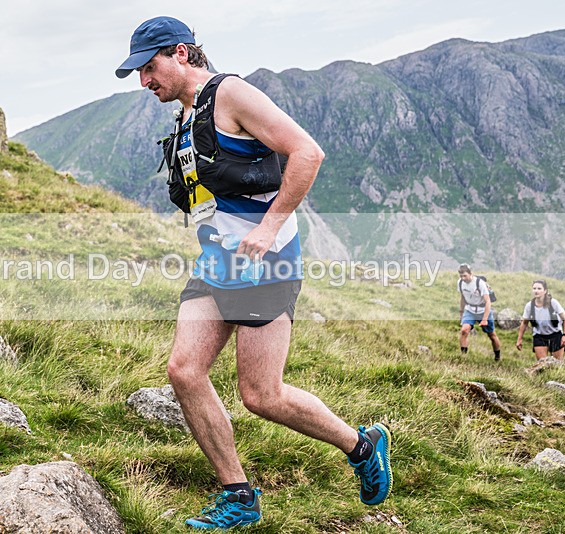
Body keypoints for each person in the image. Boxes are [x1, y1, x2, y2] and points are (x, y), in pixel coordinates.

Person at [116, 16, 393, 530]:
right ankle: (238, 496)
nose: (144, 81)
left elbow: (307, 152)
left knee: (261, 396)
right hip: (217, 262)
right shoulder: (186, 118)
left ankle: (362, 444)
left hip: (266, 262)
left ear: (180, 53)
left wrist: (269, 227)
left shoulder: (231, 94)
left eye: (148, 68)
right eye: (138, 73)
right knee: (183, 371)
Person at [516, 279, 565, 361]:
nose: (536, 291)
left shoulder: (553, 303)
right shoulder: (529, 306)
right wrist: (519, 339)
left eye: (539, 289)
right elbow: (524, 323)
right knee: (542, 364)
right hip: (539, 336)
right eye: (534, 288)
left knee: (557, 364)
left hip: (556, 335)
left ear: (545, 291)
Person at [457, 264, 501, 361]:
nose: (463, 278)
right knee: (464, 331)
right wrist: (461, 313)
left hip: (483, 311)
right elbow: (463, 297)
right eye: (461, 276)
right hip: (470, 310)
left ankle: (497, 356)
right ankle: (463, 357)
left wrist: (485, 319)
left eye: (465, 276)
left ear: (470, 273)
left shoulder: (479, 283)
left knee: (492, 335)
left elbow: (488, 301)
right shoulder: (460, 283)